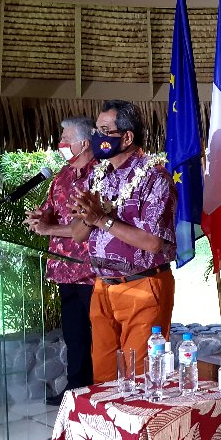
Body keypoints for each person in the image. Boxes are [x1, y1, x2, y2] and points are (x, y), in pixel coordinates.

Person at [69, 100, 176, 382]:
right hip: (103, 288)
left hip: (143, 286)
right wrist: (87, 214)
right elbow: (80, 234)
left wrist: (103, 220)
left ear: (127, 137)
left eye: (105, 130)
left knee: (140, 378)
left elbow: (153, 242)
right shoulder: (98, 175)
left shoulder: (155, 178)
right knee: (103, 377)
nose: (97, 137)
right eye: (96, 130)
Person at [27, 116, 97, 404]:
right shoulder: (62, 177)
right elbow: (48, 212)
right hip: (63, 270)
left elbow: (86, 226)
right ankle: (77, 389)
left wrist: (50, 229)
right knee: (74, 334)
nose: (61, 146)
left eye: (66, 140)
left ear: (83, 142)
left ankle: (100, 390)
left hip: (93, 272)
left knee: (99, 336)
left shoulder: (101, 175)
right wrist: (38, 218)